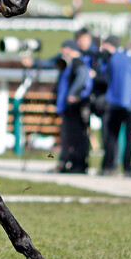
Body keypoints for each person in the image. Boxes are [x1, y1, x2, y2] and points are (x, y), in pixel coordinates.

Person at [101, 39, 131, 177]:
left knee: (111, 137)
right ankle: (127, 168)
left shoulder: (114, 58)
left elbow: (106, 77)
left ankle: (108, 166)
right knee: (129, 139)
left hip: (113, 103)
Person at [54, 39, 92, 173]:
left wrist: (72, 93)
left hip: (75, 105)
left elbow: (82, 77)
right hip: (72, 105)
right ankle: (71, 163)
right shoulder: (72, 63)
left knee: (75, 135)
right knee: (71, 135)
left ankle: (78, 164)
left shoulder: (77, 63)